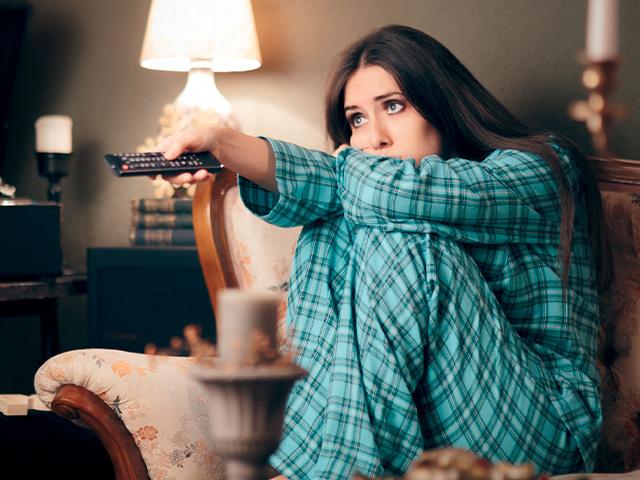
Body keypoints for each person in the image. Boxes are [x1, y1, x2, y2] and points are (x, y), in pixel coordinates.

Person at [158, 25, 610, 480]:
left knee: (396, 233)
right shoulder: (370, 184)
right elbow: (348, 186)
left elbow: (401, 192)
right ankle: (325, 463)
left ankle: (333, 471)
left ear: (444, 106)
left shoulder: (542, 168)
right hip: (427, 430)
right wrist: (220, 141)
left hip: (541, 428)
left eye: (393, 106)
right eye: (356, 119)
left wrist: (342, 166)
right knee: (336, 220)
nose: (374, 138)